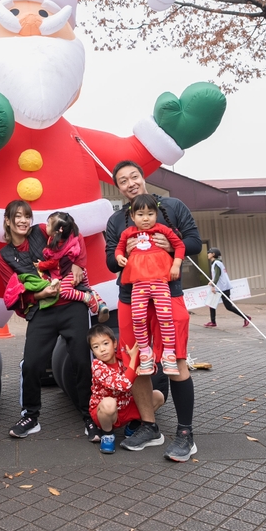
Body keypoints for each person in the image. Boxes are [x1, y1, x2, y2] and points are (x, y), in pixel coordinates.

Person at [104, 160, 202, 461]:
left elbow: (194, 242)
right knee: (138, 363)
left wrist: (170, 245)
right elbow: (110, 260)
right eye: (123, 180)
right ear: (118, 187)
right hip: (129, 298)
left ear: (143, 178)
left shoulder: (172, 207)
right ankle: (149, 426)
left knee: (176, 360)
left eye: (134, 176)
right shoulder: (117, 220)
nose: (130, 183)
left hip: (166, 294)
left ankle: (185, 432)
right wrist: (125, 254)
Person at [0, 200, 99, 440]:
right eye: (17, 217)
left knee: (82, 362)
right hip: (42, 310)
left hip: (72, 305)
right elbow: (11, 294)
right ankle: (31, 416)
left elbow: (74, 232)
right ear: (8, 221)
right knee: (31, 364)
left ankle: (90, 415)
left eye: (26, 216)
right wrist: (38, 295)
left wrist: (77, 264)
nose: (23, 221)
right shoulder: (4, 255)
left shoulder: (42, 230)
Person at [114, 194, 185, 376]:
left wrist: (176, 264)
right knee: (138, 319)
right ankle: (145, 355)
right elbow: (119, 248)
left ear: (156, 215)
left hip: (160, 282)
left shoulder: (163, 230)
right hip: (138, 284)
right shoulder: (128, 233)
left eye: (150, 214)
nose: (146, 218)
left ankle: (169, 354)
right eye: (140, 214)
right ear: (132, 216)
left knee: (165, 317)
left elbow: (180, 246)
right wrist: (120, 257)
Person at [88, 324, 164, 454]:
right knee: (108, 403)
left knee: (158, 396)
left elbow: (153, 371)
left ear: (115, 343)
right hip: (105, 413)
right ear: (93, 351)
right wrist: (134, 359)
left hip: (126, 406)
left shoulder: (122, 359)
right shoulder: (97, 366)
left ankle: (132, 426)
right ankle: (107, 435)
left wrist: (144, 368)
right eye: (96, 347)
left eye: (105, 343)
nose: (102, 349)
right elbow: (123, 385)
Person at [38, 212, 109, 323]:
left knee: (64, 291)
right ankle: (101, 304)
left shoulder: (59, 245)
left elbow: (53, 262)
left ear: (57, 232)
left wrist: (40, 265)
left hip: (71, 274)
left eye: (48, 224)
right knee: (87, 287)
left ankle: (87, 298)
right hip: (82, 271)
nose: (45, 225)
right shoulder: (72, 236)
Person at [205, 248, 250, 328]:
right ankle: (213, 322)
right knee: (212, 304)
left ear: (213, 254)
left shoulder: (217, 263)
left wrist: (213, 285)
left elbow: (218, 276)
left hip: (223, 288)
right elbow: (217, 276)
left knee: (228, 306)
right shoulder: (216, 263)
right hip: (221, 287)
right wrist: (212, 281)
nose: (208, 254)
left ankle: (246, 317)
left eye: (209, 253)